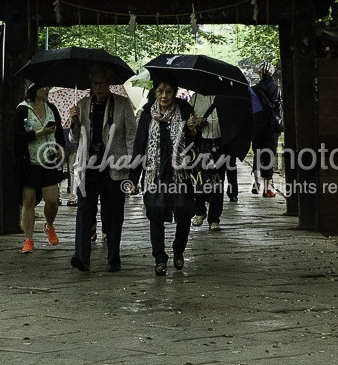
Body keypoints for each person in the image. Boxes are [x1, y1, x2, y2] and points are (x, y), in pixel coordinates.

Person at [67, 68, 137, 272]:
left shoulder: (122, 105)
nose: (98, 88)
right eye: (95, 83)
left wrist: (133, 169)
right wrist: (74, 122)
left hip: (114, 167)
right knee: (84, 210)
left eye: (102, 83)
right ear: (90, 83)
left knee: (114, 214)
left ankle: (113, 258)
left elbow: (131, 136)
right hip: (88, 166)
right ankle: (82, 256)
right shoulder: (82, 105)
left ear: (109, 83)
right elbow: (75, 139)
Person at [132, 75, 199, 275]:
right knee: (155, 214)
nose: (164, 96)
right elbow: (139, 145)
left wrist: (192, 131)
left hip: (180, 174)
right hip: (155, 173)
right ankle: (159, 258)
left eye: (168, 91)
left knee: (184, 213)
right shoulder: (146, 113)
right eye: (160, 91)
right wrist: (133, 179)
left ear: (175, 92)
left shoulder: (185, 111)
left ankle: (178, 250)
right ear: (154, 92)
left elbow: (196, 143)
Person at [15, 81, 65, 253]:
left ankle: (49, 226)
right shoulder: (22, 109)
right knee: (28, 200)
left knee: (52, 200)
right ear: (34, 90)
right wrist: (40, 133)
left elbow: (58, 132)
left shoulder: (51, 108)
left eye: (48, 87)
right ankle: (28, 239)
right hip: (29, 162)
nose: (47, 90)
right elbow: (17, 136)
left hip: (48, 161)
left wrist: (60, 148)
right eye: (44, 87)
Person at [190, 99, 228, 232]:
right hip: (201, 143)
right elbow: (188, 122)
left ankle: (214, 218)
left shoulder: (223, 99)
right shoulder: (195, 98)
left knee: (218, 182)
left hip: (219, 144)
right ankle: (200, 211)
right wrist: (196, 122)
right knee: (200, 179)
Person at [250, 65, 283, 196]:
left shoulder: (252, 90)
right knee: (269, 154)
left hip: (257, 126)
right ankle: (268, 187)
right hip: (272, 127)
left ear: (260, 74)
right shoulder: (278, 90)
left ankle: (256, 183)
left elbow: (252, 109)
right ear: (272, 73)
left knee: (257, 154)